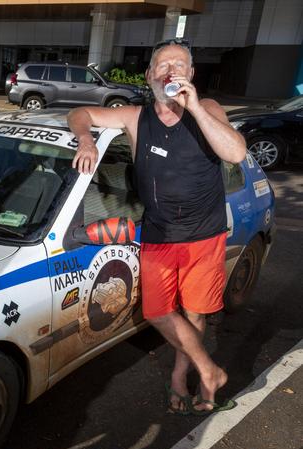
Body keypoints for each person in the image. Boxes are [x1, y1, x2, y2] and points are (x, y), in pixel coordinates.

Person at [68, 38, 246, 415]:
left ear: (191, 74)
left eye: (178, 65)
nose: (170, 72)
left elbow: (235, 153)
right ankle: (210, 371)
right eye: (162, 66)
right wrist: (85, 140)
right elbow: (80, 113)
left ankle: (182, 378)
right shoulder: (135, 117)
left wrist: (195, 106)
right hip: (159, 234)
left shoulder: (208, 109)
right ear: (149, 75)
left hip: (205, 234)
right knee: (158, 311)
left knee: (195, 313)